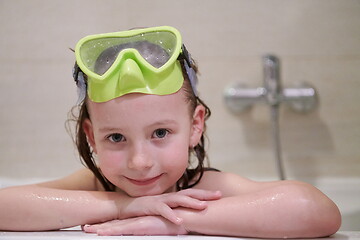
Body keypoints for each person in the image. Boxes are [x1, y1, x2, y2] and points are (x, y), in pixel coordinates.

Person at [0, 26, 341, 238]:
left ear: (195, 126)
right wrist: (121, 207)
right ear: (92, 137)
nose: (139, 161)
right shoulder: (97, 186)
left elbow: (316, 209)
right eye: (116, 137)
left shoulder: (203, 189)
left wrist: (175, 220)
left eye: (160, 132)